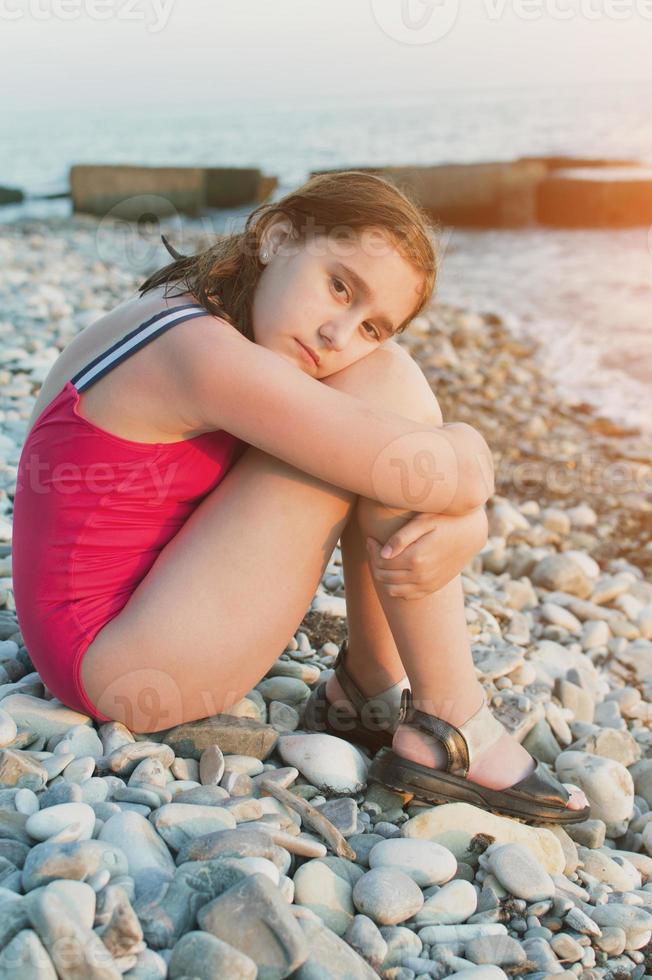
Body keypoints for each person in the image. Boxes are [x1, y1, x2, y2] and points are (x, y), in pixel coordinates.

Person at [11, 171, 588, 824]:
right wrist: (471, 507)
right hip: (121, 667)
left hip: (116, 626)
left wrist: (456, 489)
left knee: (382, 382)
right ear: (277, 237)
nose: (339, 333)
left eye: (372, 323)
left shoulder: (194, 303)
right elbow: (417, 469)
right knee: (386, 391)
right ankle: (449, 721)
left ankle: (371, 689)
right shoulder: (202, 355)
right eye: (339, 286)